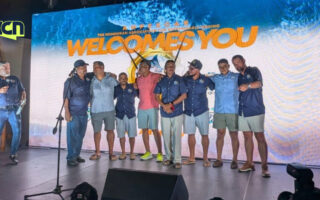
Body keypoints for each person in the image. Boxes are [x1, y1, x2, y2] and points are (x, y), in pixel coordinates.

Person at [232, 54, 270, 177]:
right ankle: (249, 163)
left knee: (260, 137)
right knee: (247, 137)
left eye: (238, 62)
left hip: (256, 110)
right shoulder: (237, 77)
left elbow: (259, 83)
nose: (237, 65)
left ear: (244, 61)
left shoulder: (254, 70)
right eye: (235, 64)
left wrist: (247, 86)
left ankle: (264, 166)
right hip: (243, 110)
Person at [154, 60, 187, 169]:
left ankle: (177, 159)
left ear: (174, 67)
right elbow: (156, 96)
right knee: (166, 136)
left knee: (177, 136)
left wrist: (171, 105)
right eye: (168, 66)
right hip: (165, 112)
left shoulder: (179, 79)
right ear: (165, 68)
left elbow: (184, 95)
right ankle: (168, 157)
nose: (171, 68)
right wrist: (164, 106)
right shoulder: (161, 81)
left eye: (172, 66)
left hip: (176, 111)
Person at [182, 59, 215, 167]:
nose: (189, 70)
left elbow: (215, 86)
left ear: (198, 69)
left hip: (202, 111)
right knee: (190, 135)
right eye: (189, 68)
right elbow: (176, 82)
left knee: (204, 135)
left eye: (192, 68)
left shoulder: (206, 79)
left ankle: (205, 158)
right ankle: (191, 158)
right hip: (188, 111)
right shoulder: (185, 79)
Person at [210, 58, 240, 169]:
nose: (222, 68)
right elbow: (200, 77)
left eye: (224, 66)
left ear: (228, 66)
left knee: (234, 135)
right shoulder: (215, 78)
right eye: (220, 66)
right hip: (219, 111)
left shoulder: (236, 77)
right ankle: (219, 159)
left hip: (233, 111)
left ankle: (235, 160)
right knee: (220, 134)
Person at [89, 61, 118, 161]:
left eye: (95, 67)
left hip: (109, 109)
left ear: (102, 68)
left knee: (110, 131)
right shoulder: (91, 80)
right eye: (93, 67)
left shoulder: (111, 79)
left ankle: (111, 153)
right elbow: (88, 94)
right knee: (97, 132)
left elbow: (119, 90)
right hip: (96, 110)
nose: (93, 69)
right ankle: (97, 153)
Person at [64, 59, 90, 166]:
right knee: (73, 136)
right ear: (76, 69)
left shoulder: (88, 78)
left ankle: (76, 155)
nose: (84, 69)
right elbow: (66, 98)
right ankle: (71, 157)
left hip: (84, 113)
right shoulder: (70, 81)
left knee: (80, 135)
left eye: (85, 67)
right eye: (81, 68)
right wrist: (67, 112)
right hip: (73, 113)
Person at [135, 59, 163, 162]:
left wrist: (161, 78)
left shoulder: (156, 76)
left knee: (155, 130)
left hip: (153, 107)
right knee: (144, 130)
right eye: (140, 67)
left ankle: (160, 153)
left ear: (147, 67)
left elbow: (164, 78)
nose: (140, 68)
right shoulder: (138, 79)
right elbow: (138, 91)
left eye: (142, 66)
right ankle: (148, 152)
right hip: (141, 108)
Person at [0, 61, 26, 164]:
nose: (8, 69)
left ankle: (13, 154)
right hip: (1, 110)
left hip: (14, 109)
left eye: (8, 67)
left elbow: (23, 91)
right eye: (5, 68)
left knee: (17, 131)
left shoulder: (15, 79)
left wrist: (23, 99)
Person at [114, 72, 138, 160]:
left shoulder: (132, 87)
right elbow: (111, 98)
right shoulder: (116, 88)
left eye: (125, 78)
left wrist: (137, 87)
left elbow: (139, 95)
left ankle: (132, 153)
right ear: (119, 80)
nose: (123, 79)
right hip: (119, 115)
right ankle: (123, 153)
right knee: (121, 135)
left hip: (130, 114)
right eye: (121, 78)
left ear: (127, 79)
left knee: (132, 135)